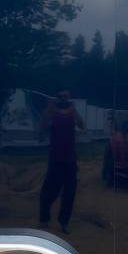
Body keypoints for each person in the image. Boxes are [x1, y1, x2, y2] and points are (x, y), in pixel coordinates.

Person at [39, 90, 84, 234]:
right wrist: (49, 109)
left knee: (69, 193)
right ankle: (44, 219)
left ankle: (64, 223)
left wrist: (74, 109)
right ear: (56, 98)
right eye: (60, 96)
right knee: (48, 191)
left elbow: (82, 126)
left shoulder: (72, 112)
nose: (63, 99)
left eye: (66, 96)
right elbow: (42, 127)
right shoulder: (52, 112)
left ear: (69, 98)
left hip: (70, 159)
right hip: (55, 159)